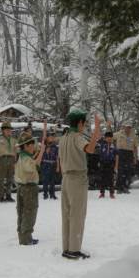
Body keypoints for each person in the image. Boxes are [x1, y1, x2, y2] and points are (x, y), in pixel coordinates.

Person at [59, 109, 101, 260]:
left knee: (67, 215)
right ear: (80, 123)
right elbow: (89, 148)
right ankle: (74, 250)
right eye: (84, 123)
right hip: (77, 178)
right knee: (77, 214)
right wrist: (96, 130)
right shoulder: (77, 137)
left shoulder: (63, 137)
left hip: (65, 179)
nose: (84, 126)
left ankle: (66, 247)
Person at [14, 122, 47, 246]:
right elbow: (34, 166)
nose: (33, 146)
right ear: (26, 146)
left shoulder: (23, 156)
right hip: (28, 188)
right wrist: (42, 152)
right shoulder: (26, 158)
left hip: (22, 188)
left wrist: (40, 149)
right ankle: (26, 238)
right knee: (30, 212)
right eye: (31, 144)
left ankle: (23, 235)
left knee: (22, 212)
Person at [0, 121, 18, 202]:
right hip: (2, 159)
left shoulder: (14, 140)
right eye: (7, 129)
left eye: (10, 129)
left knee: (10, 178)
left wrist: (15, 161)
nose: (9, 131)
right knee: (1, 178)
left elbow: (16, 151)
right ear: (3, 130)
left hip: (11, 159)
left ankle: (8, 195)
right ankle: (1, 196)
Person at [113, 124, 137, 194]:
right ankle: (119, 188)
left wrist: (135, 157)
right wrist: (108, 127)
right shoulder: (119, 134)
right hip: (121, 152)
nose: (128, 129)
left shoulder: (134, 136)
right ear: (124, 127)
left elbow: (135, 147)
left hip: (129, 153)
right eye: (127, 127)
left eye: (129, 127)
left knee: (128, 172)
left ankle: (125, 187)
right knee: (120, 171)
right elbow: (110, 136)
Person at [97, 131, 118, 199]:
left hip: (111, 163)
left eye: (110, 137)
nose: (109, 139)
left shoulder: (114, 145)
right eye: (107, 137)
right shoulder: (102, 144)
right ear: (105, 138)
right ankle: (102, 193)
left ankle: (111, 193)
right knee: (102, 178)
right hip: (103, 163)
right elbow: (98, 135)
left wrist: (116, 166)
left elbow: (117, 156)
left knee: (111, 179)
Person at [41, 132, 59, 200]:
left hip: (53, 164)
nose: (51, 139)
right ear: (47, 138)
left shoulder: (55, 147)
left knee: (52, 181)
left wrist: (58, 166)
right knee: (45, 180)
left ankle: (52, 194)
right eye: (50, 137)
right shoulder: (44, 146)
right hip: (45, 164)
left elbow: (57, 157)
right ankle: (45, 194)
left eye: (52, 137)